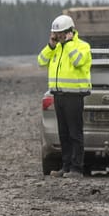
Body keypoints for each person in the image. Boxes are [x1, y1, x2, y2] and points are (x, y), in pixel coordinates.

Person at [37, 14, 92, 178]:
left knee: (75, 133)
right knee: (64, 134)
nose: (58, 37)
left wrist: (68, 44)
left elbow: (77, 61)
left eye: (60, 34)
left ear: (70, 32)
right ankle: (66, 167)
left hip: (74, 96)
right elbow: (41, 61)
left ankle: (76, 168)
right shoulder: (56, 48)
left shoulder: (82, 46)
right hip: (59, 95)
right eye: (56, 34)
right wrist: (50, 46)